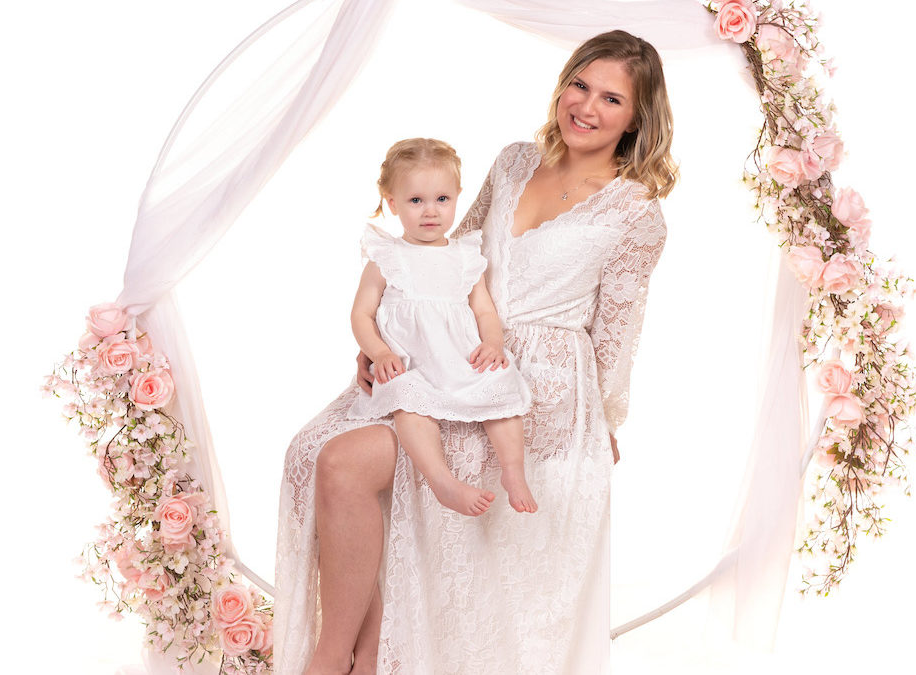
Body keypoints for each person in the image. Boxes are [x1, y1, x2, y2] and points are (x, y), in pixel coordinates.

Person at [274, 29, 675, 674]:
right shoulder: (517, 161)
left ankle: (335, 658)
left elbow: (617, 331)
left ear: (637, 118)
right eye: (579, 85)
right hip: (451, 352)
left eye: (611, 99)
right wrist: (384, 333)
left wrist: (605, 420)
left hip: (539, 390)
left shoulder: (636, 215)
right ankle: (368, 649)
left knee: (350, 466)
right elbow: (448, 254)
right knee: (313, 450)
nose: (587, 107)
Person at [347, 138, 537, 516]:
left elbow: (483, 309)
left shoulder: (465, 256)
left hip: (459, 358)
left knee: (500, 385)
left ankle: (513, 472)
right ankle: (442, 482)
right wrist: (380, 351)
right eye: (416, 201)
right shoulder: (388, 257)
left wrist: (494, 343)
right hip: (412, 365)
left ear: (457, 196)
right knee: (408, 403)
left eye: (442, 199)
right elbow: (361, 314)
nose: (430, 211)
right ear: (392, 202)